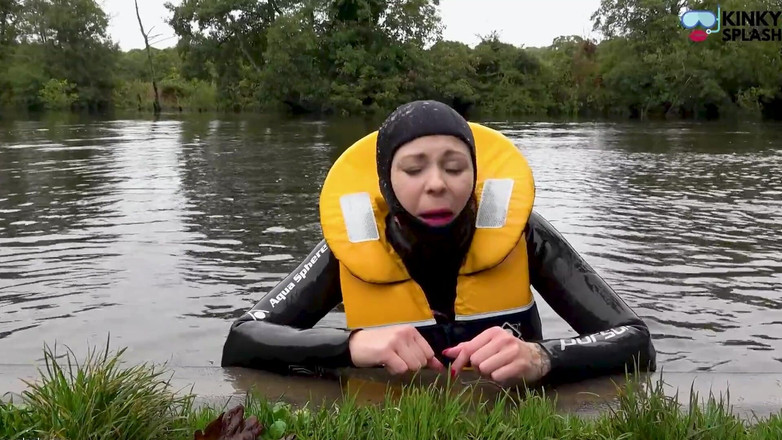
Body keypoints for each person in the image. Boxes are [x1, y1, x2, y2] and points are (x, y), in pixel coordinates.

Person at [221, 100, 656, 386]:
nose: (437, 185)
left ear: (474, 173)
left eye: (454, 167)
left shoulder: (524, 232)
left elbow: (635, 339)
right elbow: (243, 339)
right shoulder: (350, 245)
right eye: (413, 170)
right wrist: (351, 346)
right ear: (386, 182)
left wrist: (541, 357)